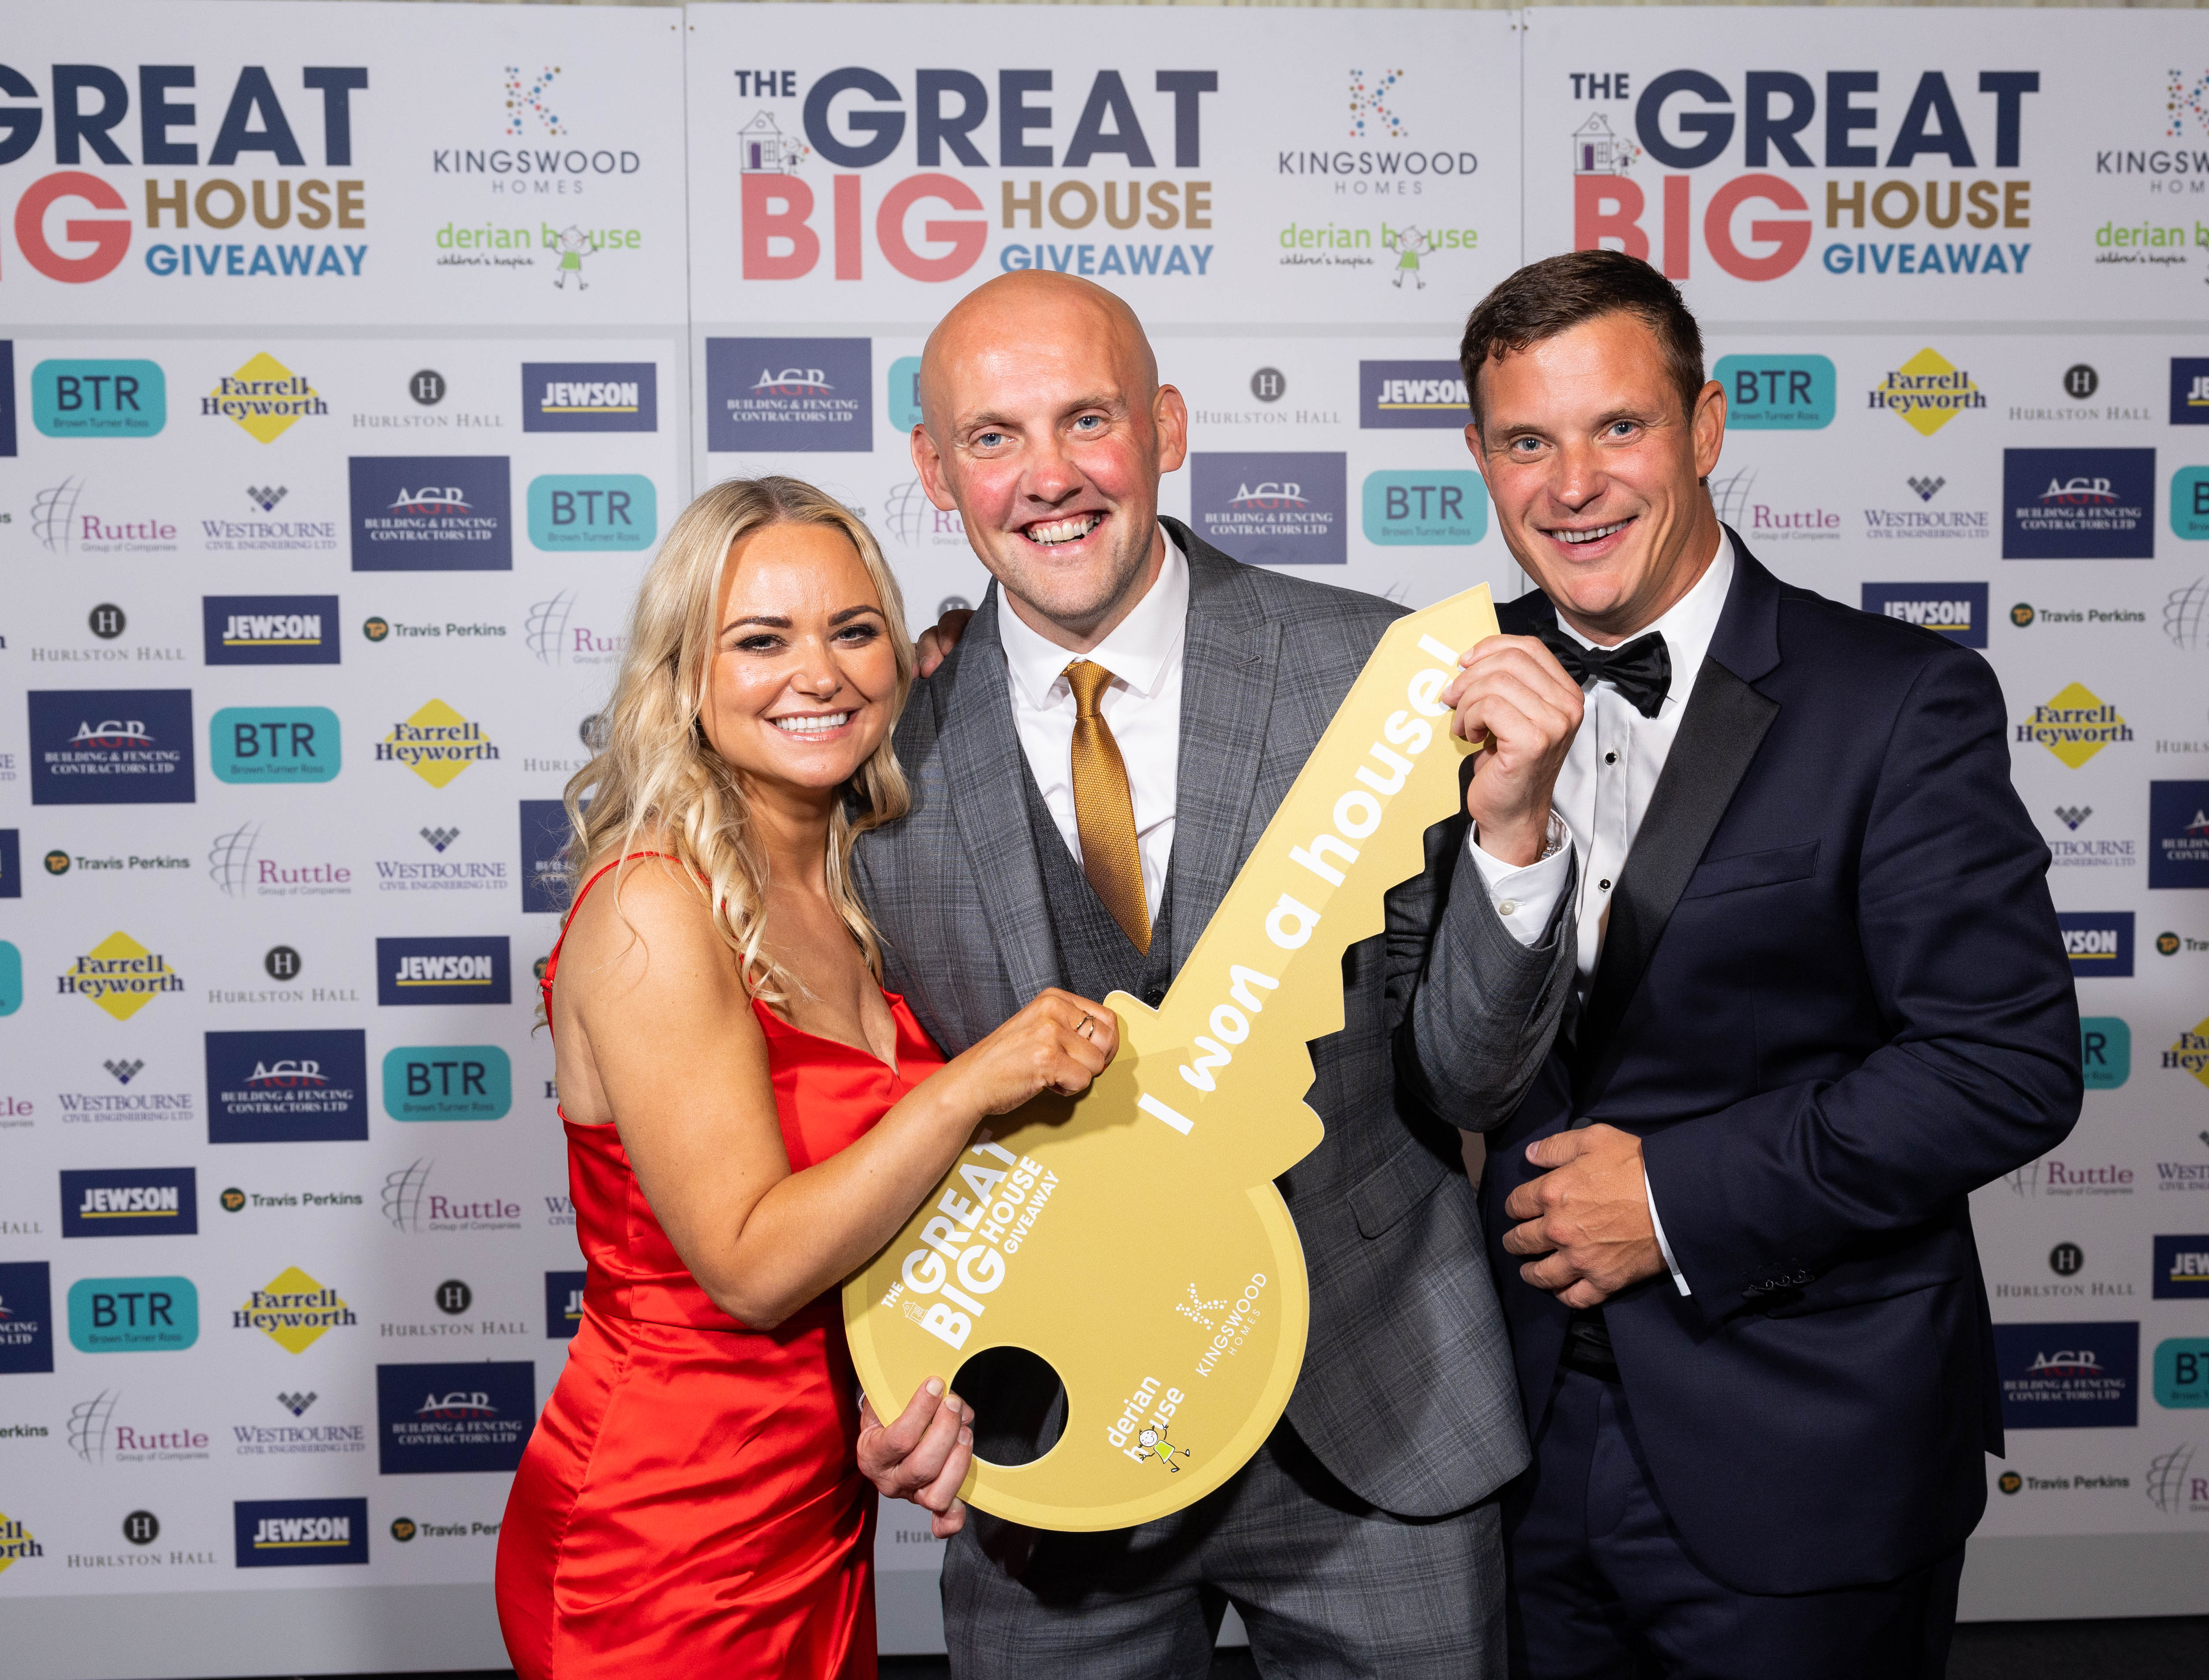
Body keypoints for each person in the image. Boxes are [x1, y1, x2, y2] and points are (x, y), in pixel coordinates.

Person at [852, 269, 1586, 1677]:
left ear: (1168, 427)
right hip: (1050, 1454)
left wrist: (1512, 834)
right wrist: (885, 1375)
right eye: (994, 437)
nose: (1048, 477)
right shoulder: (876, 761)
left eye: (1088, 419)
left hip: (1375, 1420)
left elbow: (1471, 1077)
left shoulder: (1373, 676)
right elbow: (848, 1127)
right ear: (935, 470)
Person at [1458, 250, 2082, 1676]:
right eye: (1526, 441)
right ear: (1480, 459)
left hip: (1804, 1438)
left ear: (1705, 427)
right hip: (1509, 1441)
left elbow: (2003, 1063)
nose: (1572, 485)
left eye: (1618, 426)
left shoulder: (1896, 700)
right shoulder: (1431, 694)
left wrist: (1671, 1196)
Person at [494, 476, 1121, 1680]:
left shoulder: (854, 881)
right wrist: (966, 1085)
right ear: (684, 673)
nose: (819, 674)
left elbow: (876, 1224)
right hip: (661, 1533)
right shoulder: (653, 905)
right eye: (761, 640)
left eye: (852, 629)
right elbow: (750, 1265)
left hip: (817, 1510)